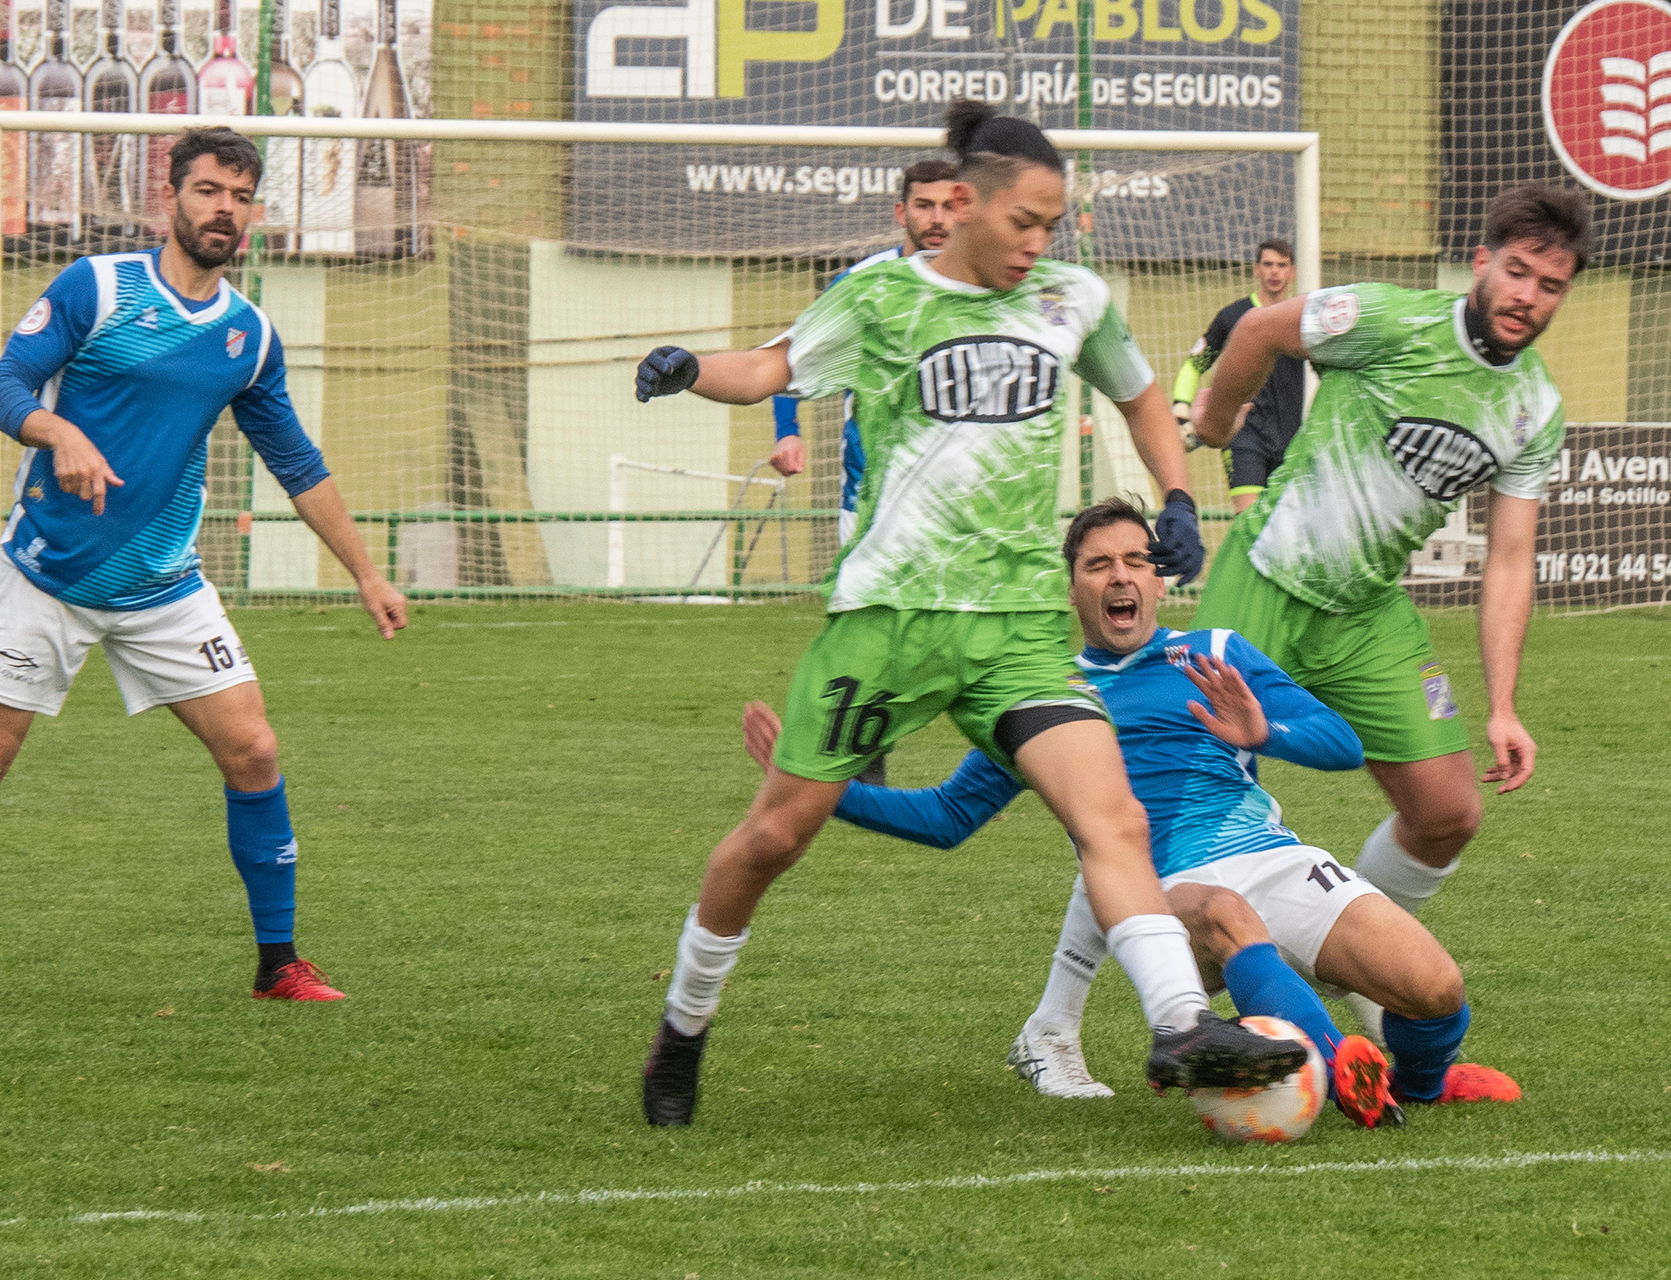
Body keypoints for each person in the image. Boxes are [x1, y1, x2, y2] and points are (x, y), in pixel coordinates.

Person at [631, 99, 1301, 1129]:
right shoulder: (881, 294)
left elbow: (1137, 396)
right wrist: (690, 369)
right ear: (964, 204)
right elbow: (769, 369)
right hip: (890, 622)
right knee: (775, 835)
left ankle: (1179, 1024)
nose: (1039, 241)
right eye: (1024, 221)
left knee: (1113, 816)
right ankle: (684, 1024)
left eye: (1052, 224)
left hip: (1017, 630)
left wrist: (1176, 495)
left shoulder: (1074, 299)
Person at [744, 498, 1522, 1125]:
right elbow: (947, 817)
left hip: (1272, 855)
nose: (1122, 577)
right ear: (1072, 588)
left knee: (1436, 989)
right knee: (1225, 914)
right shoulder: (1040, 695)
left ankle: (1419, 1086)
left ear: (1157, 580)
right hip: (1163, 893)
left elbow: (1343, 743)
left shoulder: (1216, 650)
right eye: (1099, 565)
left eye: (1136, 561)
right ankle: (1337, 1069)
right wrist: (825, 789)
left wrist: (1264, 732)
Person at [0, 127, 409, 1008]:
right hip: (50, 574)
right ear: (171, 197)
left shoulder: (248, 335)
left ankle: (279, 965)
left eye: (240, 198)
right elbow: (2, 388)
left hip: (164, 585)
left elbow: (296, 462)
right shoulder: (97, 287)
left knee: (254, 750)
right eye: (208, 191)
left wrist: (366, 573)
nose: (224, 210)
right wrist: (59, 432)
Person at [1190, 184, 1589, 1038]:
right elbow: (1258, 331)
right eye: (1518, 271)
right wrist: (1215, 425)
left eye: (1550, 285)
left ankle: (1355, 967)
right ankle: (1077, 1021)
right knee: (1184, 791)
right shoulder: (1388, 319)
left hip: (1365, 612)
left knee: (1448, 812)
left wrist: (1505, 705)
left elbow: (1509, 559)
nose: (1528, 295)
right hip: (1265, 577)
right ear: (1481, 264)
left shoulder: (1536, 408)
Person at [767, 157, 959, 786]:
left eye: (948, 205)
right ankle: (857, 768)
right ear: (901, 211)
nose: (937, 219)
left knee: (958, 638)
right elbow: (789, 360)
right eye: (924, 205)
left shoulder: (986, 286)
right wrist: (788, 432)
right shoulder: (862, 284)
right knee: (869, 639)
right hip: (871, 507)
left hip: (958, 509)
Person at [1168, 238, 1304, 512]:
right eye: (1268, 264)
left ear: (1292, 272)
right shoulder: (1232, 317)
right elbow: (1195, 365)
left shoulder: (1302, 319)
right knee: (1247, 520)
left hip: (1292, 439)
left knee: (1284, 525)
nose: (1274, 271)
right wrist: (1181, 410)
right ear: (1256, 269)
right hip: (1243, 435)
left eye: (1282, 265)